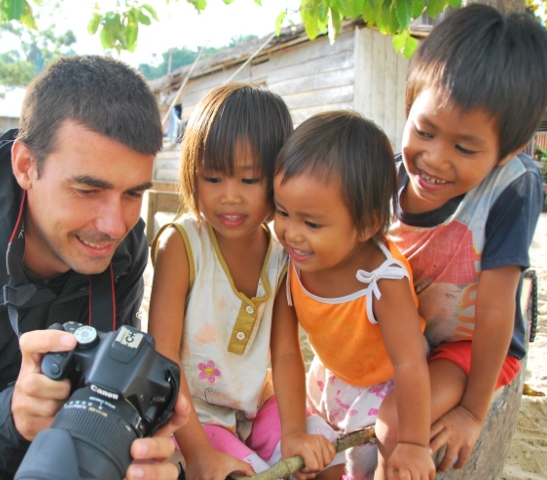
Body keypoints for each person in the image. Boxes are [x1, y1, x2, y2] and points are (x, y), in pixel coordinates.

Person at [0, 55, 190, 479]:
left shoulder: (124, 246)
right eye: (87, 189)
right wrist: (12, 419)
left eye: (133, 194)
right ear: (25, 166)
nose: (113, 225)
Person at [374, 5, 547, 478]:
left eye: (465, 148)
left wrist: (472, 413)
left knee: (395, 426)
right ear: (409, 106)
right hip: (411, 338)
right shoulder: (386, 178)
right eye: (424, 131)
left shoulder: (511, 185)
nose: (433, 159)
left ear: (507, 149)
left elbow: (495, 310)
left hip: (471, 346)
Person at [148, 83, 337, 480]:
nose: (229, 197)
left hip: (257, 404)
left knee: (325, 459)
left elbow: (286, 353)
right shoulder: (181, 245)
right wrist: (198, 453)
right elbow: (162, 358)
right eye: (213, 178)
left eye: (249, 181)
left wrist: (296, 432)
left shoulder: (283, 254)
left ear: (278, 178)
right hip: (192, 418)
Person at [272, 111, 435, 480]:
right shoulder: (292, 261)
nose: (291, 233)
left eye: (311, 223)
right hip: (331, 374)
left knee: (360, 466)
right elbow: (284, 351)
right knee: (314, 462)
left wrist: (412, 442)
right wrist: (294, 429)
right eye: (282, 212)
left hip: (386, 386)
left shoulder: (382, 280)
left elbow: (410, 363)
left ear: (367, 223)